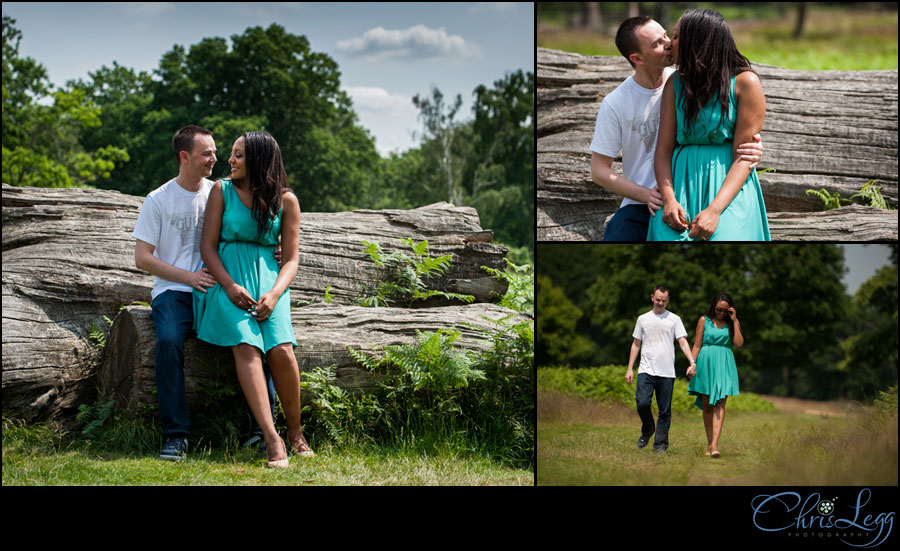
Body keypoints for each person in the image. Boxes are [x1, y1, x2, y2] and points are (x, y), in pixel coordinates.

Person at [133, 125, 277, 462]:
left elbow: (255, 225)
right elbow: (142, 258)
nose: (216, 158)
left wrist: (279, 247)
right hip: (174, 292)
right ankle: (175, 436)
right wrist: (189, 277)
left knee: (253, 337)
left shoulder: (221, 192)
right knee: (168, 342)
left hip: (218, 289)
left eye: (216, 152)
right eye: (207, 154)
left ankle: (261, 431)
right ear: (185, 157)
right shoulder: (158, 199)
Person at [193, 130, 314, 468]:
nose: (229, 160)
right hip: (227, 283)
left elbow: (291, 259)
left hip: (270, 288)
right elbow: (207, 247)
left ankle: (295, 431)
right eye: (231, 154)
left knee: (281, 351)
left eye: (238, 155)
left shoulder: (286, 200)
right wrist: (229, 286)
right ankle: (271, 437)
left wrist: (275, 295)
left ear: (259, 159)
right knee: (246, 346)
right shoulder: (222, 191)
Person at [591, 15, 764, 241]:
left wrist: (752, 150)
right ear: (638, 58)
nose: (669, 43)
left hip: (713, 186)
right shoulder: (618, 102)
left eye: (669, 35)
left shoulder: (696, 78)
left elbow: (743, 144)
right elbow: (599, 170)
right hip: (652, 197)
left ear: (698, 42)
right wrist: (652, 196)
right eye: (658, 43)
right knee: (621, 235)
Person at [648, 9, 770, 241]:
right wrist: (669, 199)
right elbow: (663, 151)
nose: (670, 44)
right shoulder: (675, 84)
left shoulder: (745, 83)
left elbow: (744, 155)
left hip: (728, 188)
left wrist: (715, 210)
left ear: (697, 41)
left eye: (675, 36)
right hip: (680, 185)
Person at [625, 285, 696, 453]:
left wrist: (692, 361)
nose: (660, 303)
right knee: (642, 403)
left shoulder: (674, 319)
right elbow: (636, 344)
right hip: (646, 369)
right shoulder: (643, 319)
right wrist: (629, 369)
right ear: (652, 297)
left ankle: (661, 445)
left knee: (664, 411)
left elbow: (683, 341)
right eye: (657, 300)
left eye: (664, 301)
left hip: (666, 372)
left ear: (668, 300)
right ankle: (648, 428)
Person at [688, 293, 743, 458]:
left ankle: (714, 446)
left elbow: (739, 344)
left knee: (720, 403)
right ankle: (710, 443)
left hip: (724, 364)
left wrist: (734, 320)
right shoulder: (704, 320)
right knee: (707, 405)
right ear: (714, 307)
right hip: (705, 363)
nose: (721, 313)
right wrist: (692, 364)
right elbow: (697, 345)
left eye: (725, 310)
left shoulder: (731, 323)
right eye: (719, 309)